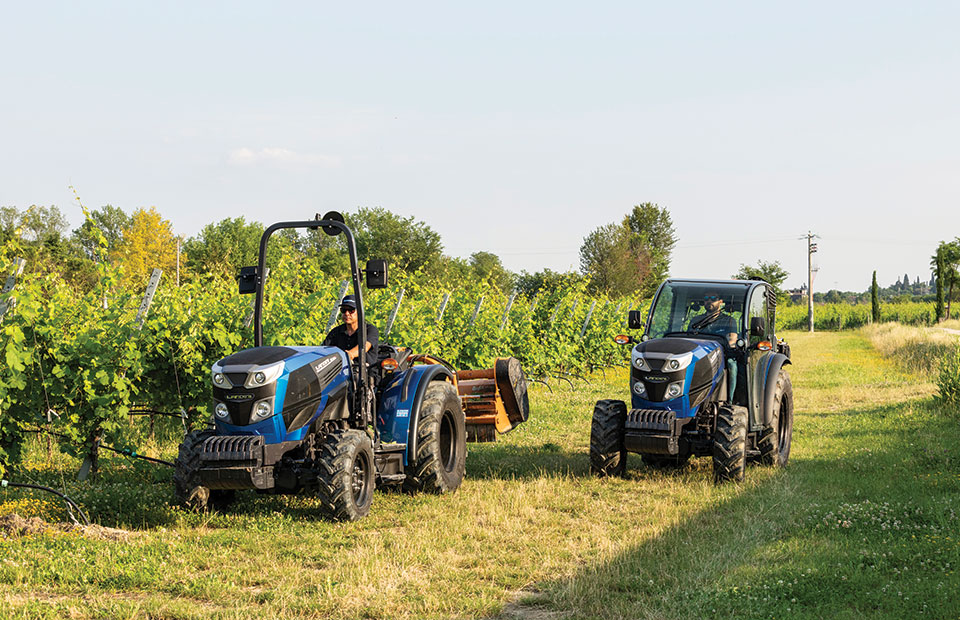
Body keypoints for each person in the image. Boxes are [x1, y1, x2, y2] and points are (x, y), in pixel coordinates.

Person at [323, 295, 380, 366]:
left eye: (351, 310)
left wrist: (350, 354)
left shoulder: (370, 330)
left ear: (359, 312)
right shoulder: (336, 332)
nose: (347, 313)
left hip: (366, 372)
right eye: (343, 310)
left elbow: (365, 346)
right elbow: (324, 349)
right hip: (342, 371)